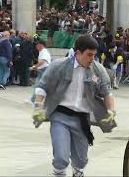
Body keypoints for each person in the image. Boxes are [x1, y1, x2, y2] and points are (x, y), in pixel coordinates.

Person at [31, 35, 116, 177]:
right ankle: (59, 173)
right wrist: (38, 106)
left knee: (81, 160)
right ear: (77, 53)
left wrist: (111, 110)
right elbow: (42, 86)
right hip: (60, 116)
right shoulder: (59, 65)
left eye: (94, 55)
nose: (92, 59)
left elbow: (107, 92)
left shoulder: (98, 70)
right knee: (61, 157)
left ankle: (78, 172)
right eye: (89, 55)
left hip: (82, 119)